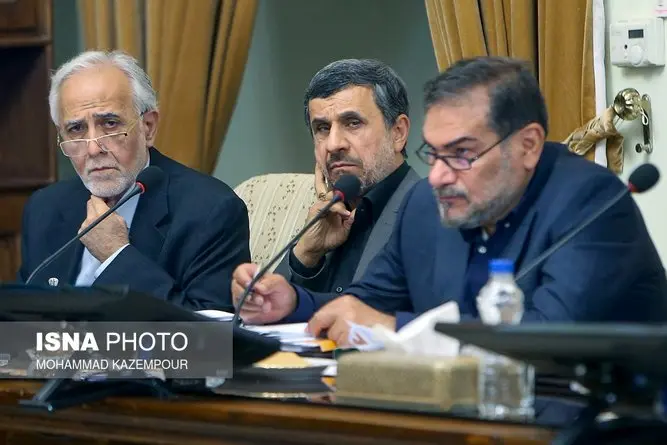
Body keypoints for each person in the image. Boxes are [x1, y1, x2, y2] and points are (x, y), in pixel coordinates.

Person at [232, 56, 667, 344]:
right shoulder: (426, 205)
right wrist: (293, 302)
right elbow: (365, 305)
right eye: (434, 153)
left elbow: (549, 340)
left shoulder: (591, 203)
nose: (438, 176)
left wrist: (394, 328)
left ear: (528, 145)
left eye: (460, 154)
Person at [17, 50, 250, 311]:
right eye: (76, 129)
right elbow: (23, 318)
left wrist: (116, 255)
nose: (93, 149)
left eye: (110, 123)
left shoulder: (211, 211)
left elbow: (209, 331)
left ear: (148, 127)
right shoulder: (45, 209)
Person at [234, 59, 420, 308]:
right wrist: (305, 254)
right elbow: (266, 311)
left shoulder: (429, 210)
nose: (333, 144)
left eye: (353, 123)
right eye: (322, 128)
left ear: (398, 132)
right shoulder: (326, 211)